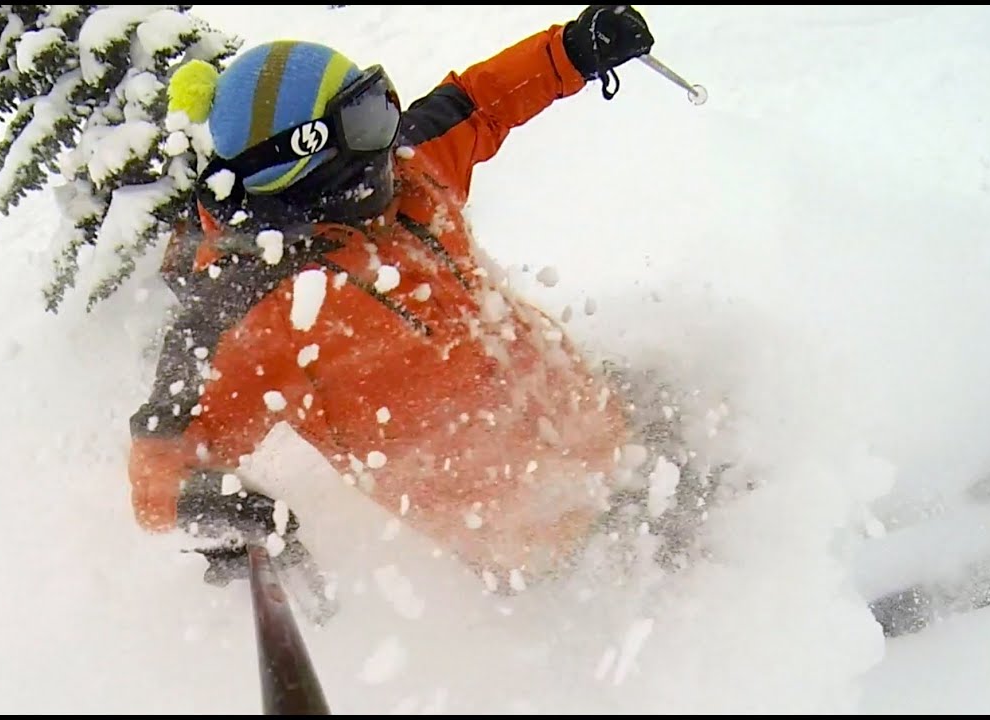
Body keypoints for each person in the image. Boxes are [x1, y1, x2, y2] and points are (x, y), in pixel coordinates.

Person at [127, 6, 657, 587]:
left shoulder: (401, 169)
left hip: (603, 422)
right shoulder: (251, 308)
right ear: (309, 158)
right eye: (365, 119)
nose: (392, 128)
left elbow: (478, 103)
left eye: (378, 101)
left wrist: (572, 52)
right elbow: (161, 463)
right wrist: (212, 507)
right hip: (540, 540)